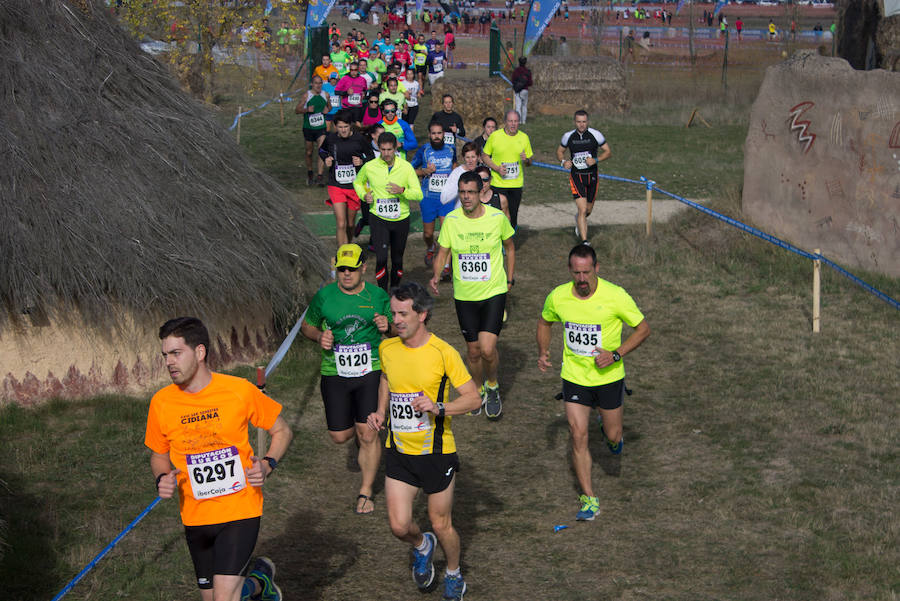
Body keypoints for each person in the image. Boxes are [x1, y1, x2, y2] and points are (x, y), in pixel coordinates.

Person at [146, 317, 292, 601]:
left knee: (224, 598)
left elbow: (282, 430)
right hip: (195, 515)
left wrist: (267, 463)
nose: (168, 362)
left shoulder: (238, 390)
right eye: (165, 355)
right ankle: (260, 582)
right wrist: (161, 478)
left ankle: (252, 584)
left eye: (176, 353)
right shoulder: (161, 402)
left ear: (200, 352)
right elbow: (158, 454)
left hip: (240, 509)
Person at [366, 281, 481, 601]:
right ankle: (421, 545)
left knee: (440, 522)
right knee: (400, 526)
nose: (396, 320)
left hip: (436, 453)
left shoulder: (443, 353)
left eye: (403, 314)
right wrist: (380, 413)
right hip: (400, 451)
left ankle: (455, 573)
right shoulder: (387, 348)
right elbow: (386, 380)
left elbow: (473, 400)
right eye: (394, 313)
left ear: (423, 315)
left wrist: (439, 407)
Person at [536, 245, 650, 521]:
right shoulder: (558, 297)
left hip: (609, 378)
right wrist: (543, 351)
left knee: (613, 435)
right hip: (574, 378)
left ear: (597, 269)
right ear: (569, 271)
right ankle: (589, 499)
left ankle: (611, 433)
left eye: (587, 272)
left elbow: (643, 329)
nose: (582, 278)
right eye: (576, 273)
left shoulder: (615, 296)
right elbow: (544, 322)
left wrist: (615, 354)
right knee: (578, 434)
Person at [301, 244, 391, 515]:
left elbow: (396, 328)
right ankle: (359, 430)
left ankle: (365, 490)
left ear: (364, 268)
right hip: (334, 371)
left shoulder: (377, 296)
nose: (347, 273)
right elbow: (308, 325)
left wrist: (388, 327)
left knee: (368, 433)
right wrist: (319, 336)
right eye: (341, 269)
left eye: (352, 268)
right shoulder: (324, 297)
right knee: (340, 436)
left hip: (370, 370)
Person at [429, 171, 515, 419]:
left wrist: (509, 278)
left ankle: (493, 385)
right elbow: (443, 252)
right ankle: (477, 391)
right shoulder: (452, 220)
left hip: (493, 292)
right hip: (465, 296)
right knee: (474, 350)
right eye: (462, 192)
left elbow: (509, 247)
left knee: (488, 349)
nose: (466, 197)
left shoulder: (497, 218)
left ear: (481, 193)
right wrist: (436, 276)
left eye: (471, 192)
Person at [353, 131, 422, 290]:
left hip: (401, 219)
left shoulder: (406, 167)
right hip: (378, 218)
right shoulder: (370, 166)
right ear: (378, 147)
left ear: (395, 147)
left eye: (389, 149)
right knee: (382, 258)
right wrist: (364, 195)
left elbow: (418, 194)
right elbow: (357, 182)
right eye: (383, 149)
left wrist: (402, 190)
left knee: (397, 259)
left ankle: (394, 290)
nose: (386, 153)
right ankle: (383, 293)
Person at [556, 110, 612, 246]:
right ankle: (585, 241)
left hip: (592, 176)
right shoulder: (568, 136)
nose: (581, 124)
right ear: (575, 122)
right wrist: (564, 162)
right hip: (576, 177)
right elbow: (560, 151)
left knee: (587, 210)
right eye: (579, 122)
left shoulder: (596, 134)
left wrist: (596, 160)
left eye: (584, 122)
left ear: (588, 122)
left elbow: (608, 152)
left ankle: (579, 220)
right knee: (582, 209)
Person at [320, 109, 374, 245]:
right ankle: (341, 255)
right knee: (341, 223)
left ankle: (348, 247)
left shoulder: (359, 139)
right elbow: (321, 150)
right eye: (340, 127)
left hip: (354, 186)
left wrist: (362, 161)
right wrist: (326, 158)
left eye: (346, 127)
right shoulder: (331, 138)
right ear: (335, 126)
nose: (343, 130)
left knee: (350, 225)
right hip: (336, 184)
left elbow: (371, 156)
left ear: (350, 125)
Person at [412, 121, 457, 270]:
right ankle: (431, 247)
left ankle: (445, 265)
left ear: (443, 134)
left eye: (439, 133)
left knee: (446, 232)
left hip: (447, 198)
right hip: (428, 198)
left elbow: (455, 168)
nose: (437, 136)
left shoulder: (451, 149)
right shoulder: (424, 150)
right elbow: (410, 170)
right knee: (427, 233)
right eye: (434, 133)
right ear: (429, 134)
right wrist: (423, 172)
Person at [480, 110, 532, 231]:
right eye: (510, 121)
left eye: (515, 121)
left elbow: (529, 162)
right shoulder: (495, 136)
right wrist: (497, 168)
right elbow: (485, 156)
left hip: (516, 185)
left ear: (519, 122)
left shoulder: (524, 137)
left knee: (512, 217)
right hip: (498, 183)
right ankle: (498, 242)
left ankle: (509, 241)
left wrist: (527, 160)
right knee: (497, 215)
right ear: (505, 122)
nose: (513, 124)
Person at [297, 75, 330, 187]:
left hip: (321, 127)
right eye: (316, 83)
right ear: (312, 84)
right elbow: (297, 110)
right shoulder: (307, 95)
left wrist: (327, 110)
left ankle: (320, 176)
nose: (318, 85)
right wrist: (307, 110)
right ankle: (310, 173)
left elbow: (329, 107)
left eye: (320, 83)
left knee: (321, 150)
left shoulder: (325, 95)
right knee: (309, 152)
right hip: (308, 128)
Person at [335, 61, 368, 126]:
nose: (353, 72)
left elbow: (365, 90)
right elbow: (336, 92)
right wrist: (346, 93)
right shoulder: (344, 79)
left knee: (358, 124)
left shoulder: (362, 79)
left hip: (357, 107)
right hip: (347, 107)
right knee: (347, 125)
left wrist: (364, 94)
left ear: (358, 69)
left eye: (355, 70)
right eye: (351, 70)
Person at [510, 57, 533, 125]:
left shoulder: (516, 71)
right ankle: (524, 121)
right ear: (525, 62)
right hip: (525, 90)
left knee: (518, 106)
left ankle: (518, 121)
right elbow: (530, 83)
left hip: (518, 91)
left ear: (519, 62)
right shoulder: (528, 71)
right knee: (524, 106)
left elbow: (513, 80)